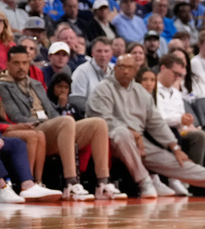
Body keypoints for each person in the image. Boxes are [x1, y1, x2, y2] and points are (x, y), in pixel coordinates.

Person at [88, 53, 205, 198]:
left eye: (129, 68)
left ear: (135, 70)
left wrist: (174, 146)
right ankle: (145, 182)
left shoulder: (141, 92)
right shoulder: (102, 89)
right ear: (115, 68)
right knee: (122, 133)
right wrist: (135, 134)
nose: (125, 71)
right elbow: (103, 121)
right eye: (121, 67)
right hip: (110, 141)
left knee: (175, 160)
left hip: (140, 143)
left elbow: (156, 122)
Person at [0, 46, 123, 200]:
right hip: (33, 126)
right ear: (8, 64)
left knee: (98, 123)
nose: (21, 67)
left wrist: (55, 121)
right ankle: (70, 183)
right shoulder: (3, 85)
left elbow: (52, 111)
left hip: (52, 125)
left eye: (24, 63)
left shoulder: (35, 83)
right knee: (66, 121)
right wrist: (52, 122)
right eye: (16, 63)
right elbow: (17, 116)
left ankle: (103, 184)